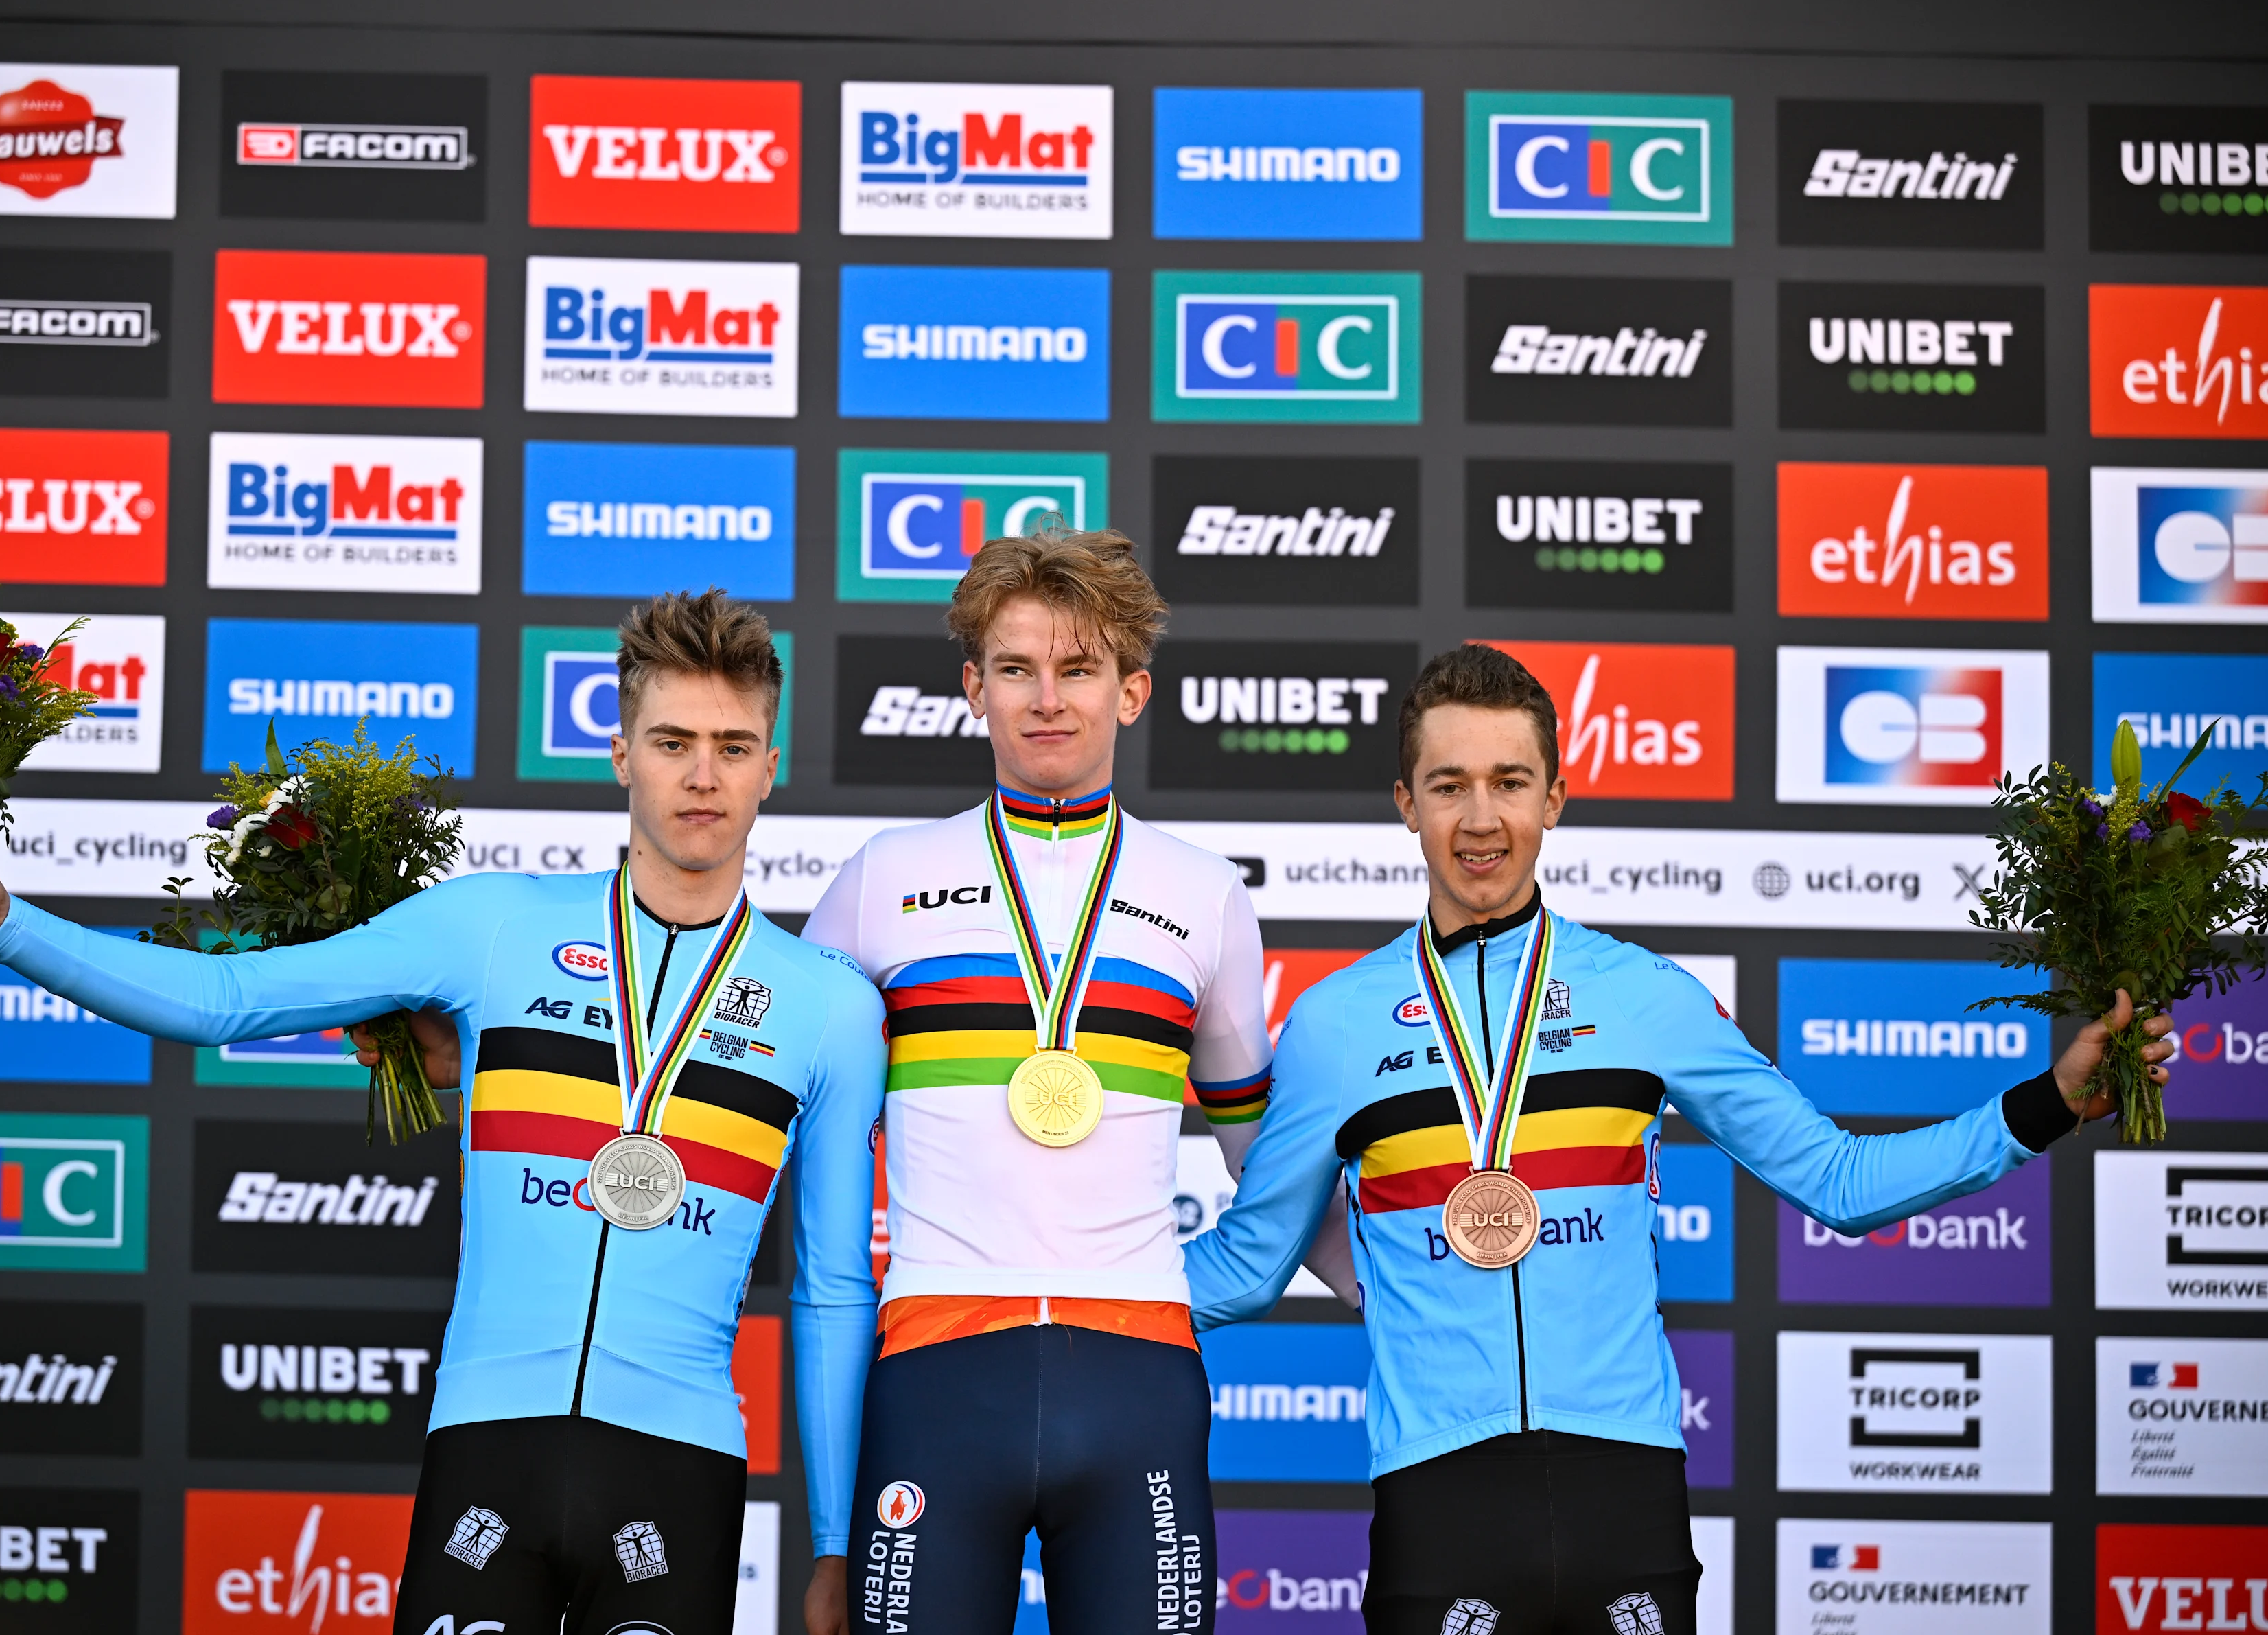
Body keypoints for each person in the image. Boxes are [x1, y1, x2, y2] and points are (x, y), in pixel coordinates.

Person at [0, 590, 885, 1635]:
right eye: (672, 740)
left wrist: (832, 1545)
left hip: (679, 1468)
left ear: (772, 764)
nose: (702, 775)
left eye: (735, 746)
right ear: (619, 754)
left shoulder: (826, 1007)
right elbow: (231, 998)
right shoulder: (492, 928)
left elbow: (829, 1290)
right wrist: (7, 925)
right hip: (487, 1441)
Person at [1183, 644, 2176, 1635]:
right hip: (1438, 1498)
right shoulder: (1332, 1024)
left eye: (1510, 783)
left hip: (1626, 1493)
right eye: (1449, 785)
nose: (1480, 819)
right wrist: (1044, 1286)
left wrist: (2047, 1103)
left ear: (1557, 799)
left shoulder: (1648, 997)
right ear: (1406, 803)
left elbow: (1839, 1177)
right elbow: (1248, 1266)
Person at [802, 528, 1350, 1635]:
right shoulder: (880, 881)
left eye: (1079, 668)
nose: (1047, 699)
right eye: (1016, 669)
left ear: (1132, 692)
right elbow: (764, 1102)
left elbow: (1263, 1157)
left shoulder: (1203, 894)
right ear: (974, 689)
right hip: (937, 1371)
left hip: (1139, 1373)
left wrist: (1406, 1295)